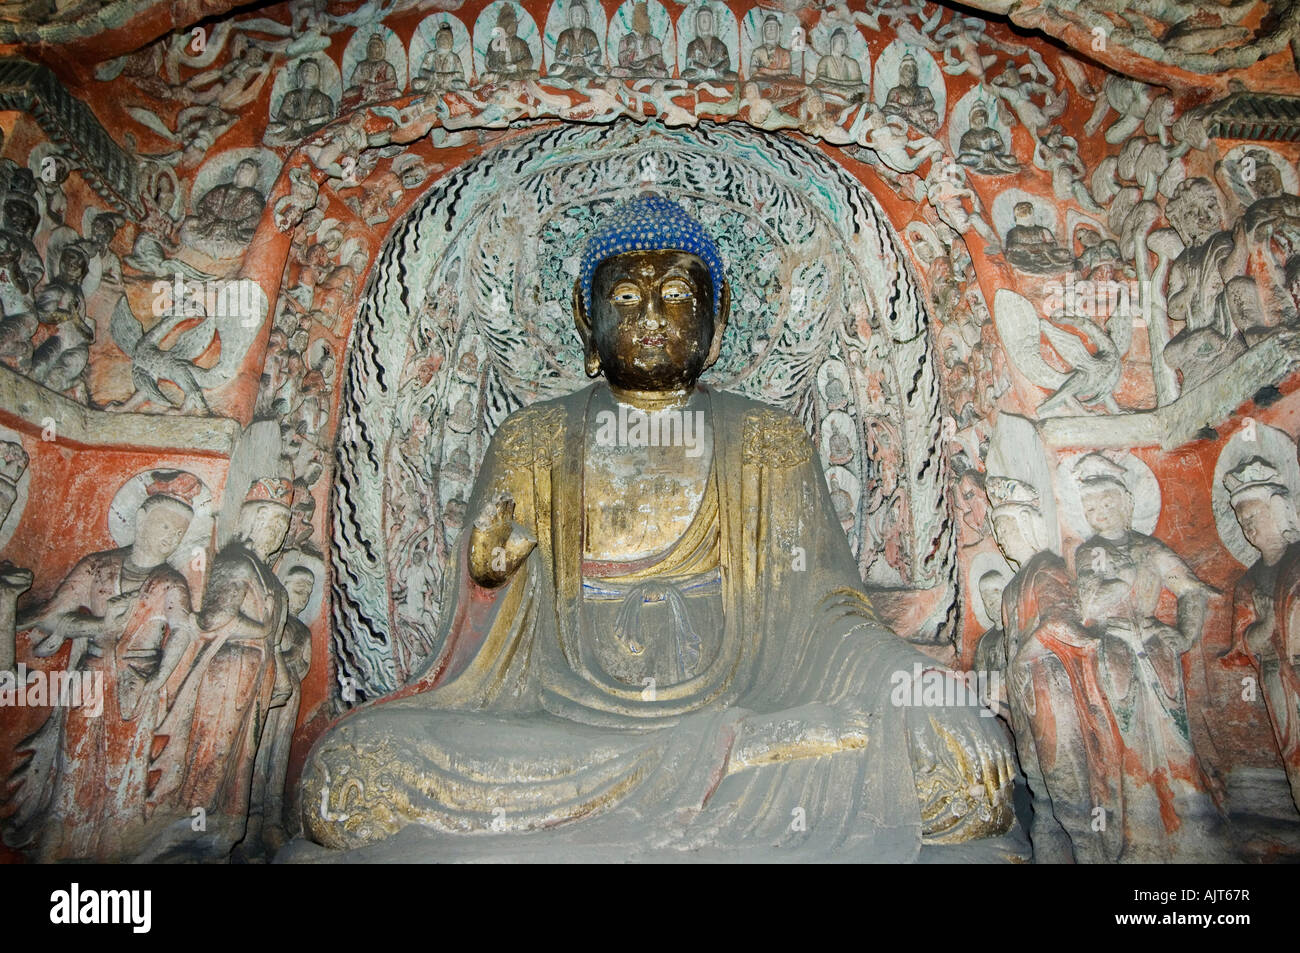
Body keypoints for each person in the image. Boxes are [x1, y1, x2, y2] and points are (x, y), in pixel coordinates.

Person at [294, 193, 1022, 862]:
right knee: (351, 772)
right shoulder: (533, 440)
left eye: (677, 296)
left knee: (959, 766)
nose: (650, 315)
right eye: (625, 296)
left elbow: (830, 619)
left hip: (739, 704)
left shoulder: (767, 442)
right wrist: (488, 575)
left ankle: (723, 755)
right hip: (565, 738)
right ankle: (732, 759)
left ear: (717, 317)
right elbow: (478, 657)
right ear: (588, 319)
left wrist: (911, 683)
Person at [5, 472, 200, 861]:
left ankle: (114, 839)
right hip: (90, 677)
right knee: (72, 758)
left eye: (177, 533)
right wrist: (98, 625)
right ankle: (61, 832)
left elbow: (183, 632)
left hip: (136, 682)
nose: (168, 537)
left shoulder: (170, 582)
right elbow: (50, 618)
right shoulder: (97, 566)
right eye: (163, 525)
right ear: (140, 519)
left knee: (124, 767)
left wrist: (158, 679)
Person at [148, 477, 292, 858]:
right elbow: (213, 618)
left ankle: (219, 831)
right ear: (251, 521)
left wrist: (275, 661)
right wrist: (262, 631)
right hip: (228, 669)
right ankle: (188, 834)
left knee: (238, 758)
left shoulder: (269, 575)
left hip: (253, 673)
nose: (278, 532)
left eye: (283, 526)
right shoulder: (236, 563)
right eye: (272, 523)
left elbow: (272, 637)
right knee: (211, 751)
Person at [1223, 457, 1300, 812]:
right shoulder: (1249, 582)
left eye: (1254, 518)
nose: (1248, 528)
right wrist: (1267, 625)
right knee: (1294, 754)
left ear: (1281, 510)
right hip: (1277, 678)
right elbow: (1243, 647)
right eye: (1242, 523)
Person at [883, 54, 938, 133]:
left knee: (932, 115)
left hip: (919, 116)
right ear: (901, 71)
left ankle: (923, 133)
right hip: (901, 118)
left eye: (913, 68)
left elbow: (932, 103)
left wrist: (917, 109)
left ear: (916, 72)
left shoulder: (924, 90)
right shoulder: (895, 91)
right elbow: (888, 106)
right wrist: (906, 110)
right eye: (907, 68)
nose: (910, 72)